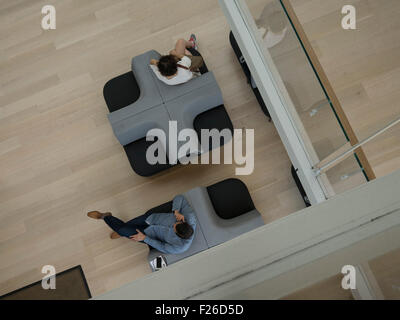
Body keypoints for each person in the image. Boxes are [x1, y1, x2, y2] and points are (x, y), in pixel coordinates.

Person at [87, 195, 196, 254]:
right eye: (176, 223)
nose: (174, 224)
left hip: (148, 235)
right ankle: (113, 223)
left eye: (174, 228)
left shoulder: (180, 247)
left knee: (123, 229)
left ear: (178, 235)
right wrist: (176, 211)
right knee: (123, 229)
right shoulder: (189, 217)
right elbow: (180, 197)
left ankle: (104, 217)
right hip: (150, 219)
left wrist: (145, 238)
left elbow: (161, 246)